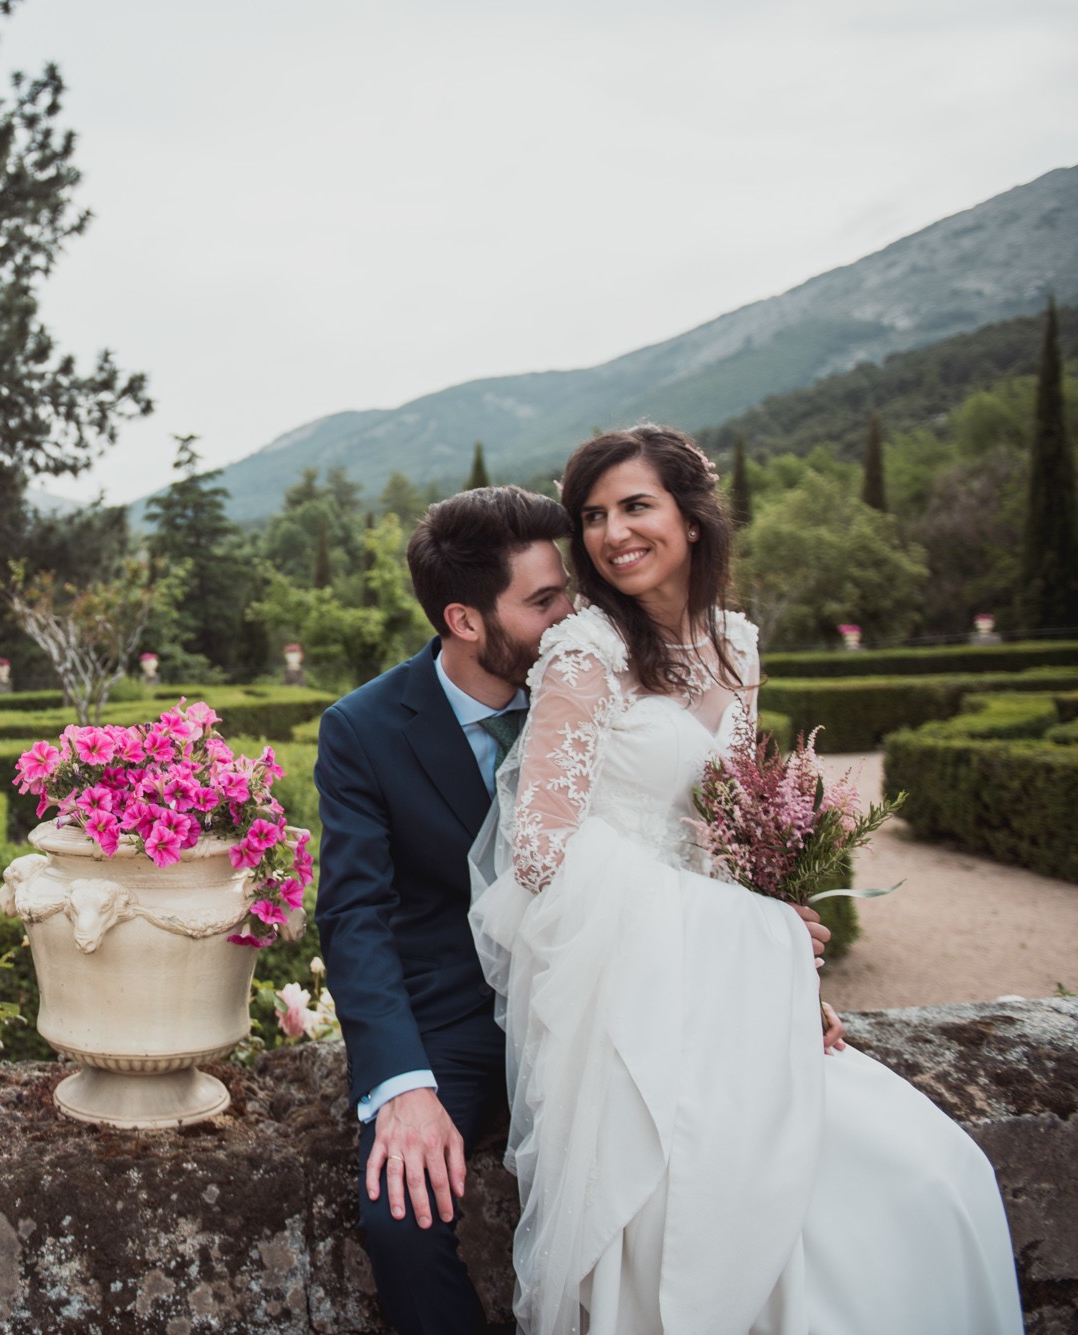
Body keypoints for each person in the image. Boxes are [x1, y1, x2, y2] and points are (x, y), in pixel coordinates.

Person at [468, 424, 1023, 1333]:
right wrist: (745, 932)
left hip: (729, 975)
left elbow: (726, 834)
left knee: (930, 1172)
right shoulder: (584, 652)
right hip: (623, 993)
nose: (613, 532)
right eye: (595, 515)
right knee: (704, 1210)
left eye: (635, 505)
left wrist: (785, 971)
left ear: (691, 516)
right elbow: (541, 852)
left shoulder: (736, 645)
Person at [313, 485, 838, 1334]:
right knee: (398, 1217)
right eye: (544, 601)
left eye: (569, 590)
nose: (570, 616)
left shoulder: (614, 671)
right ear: (466, 619)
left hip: (633, 987)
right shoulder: (363, 729)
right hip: (462, 1016)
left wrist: (772, 961)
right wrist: (400, 1087)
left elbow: (703, 836)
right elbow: (355, 916)